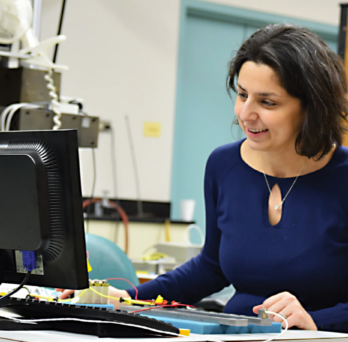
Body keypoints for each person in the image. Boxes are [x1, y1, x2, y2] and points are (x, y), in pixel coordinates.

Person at [59, 23, 348, 332]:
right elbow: (211, 268)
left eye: (267, 102)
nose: (245, 113)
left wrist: (316, 321)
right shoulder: (224, 165)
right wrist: (127, 299)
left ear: (311, 108)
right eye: (242, 94)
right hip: (235, 334)